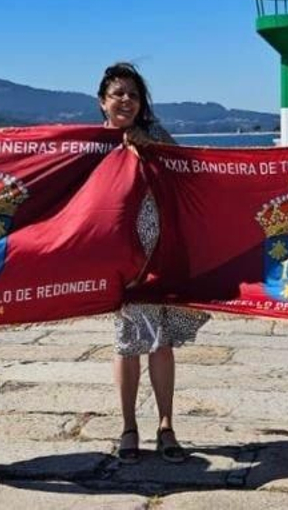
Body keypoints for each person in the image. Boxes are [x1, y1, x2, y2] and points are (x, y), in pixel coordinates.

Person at [98, 62, 209, 464]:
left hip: (162, 250)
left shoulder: (157, 135)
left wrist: (152, 149)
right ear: (103, 101)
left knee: (161, 341)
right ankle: (129, 427)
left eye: (133, 94)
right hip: (120, 255)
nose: (126, 100)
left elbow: (192, 173)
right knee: (127, 340)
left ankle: (166, 425)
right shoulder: (92, 144)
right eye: (118, 93)